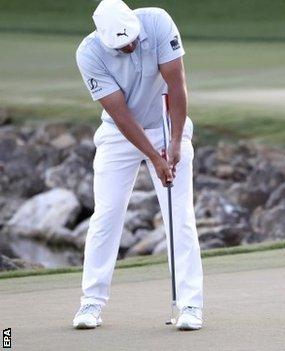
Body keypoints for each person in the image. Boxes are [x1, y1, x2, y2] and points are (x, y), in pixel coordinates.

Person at [72, 0, 203, 330]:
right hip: (120, 134)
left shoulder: (157, 22)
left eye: (131, 39)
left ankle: (189, 306)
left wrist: (174, 143)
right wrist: (156, 159)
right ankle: (91, 302)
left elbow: (177, 85)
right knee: (107, 214)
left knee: (179, 215)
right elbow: (121, 115)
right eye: (121, 44)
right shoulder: (89, 54)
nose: (129, 46)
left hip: (165, 125)